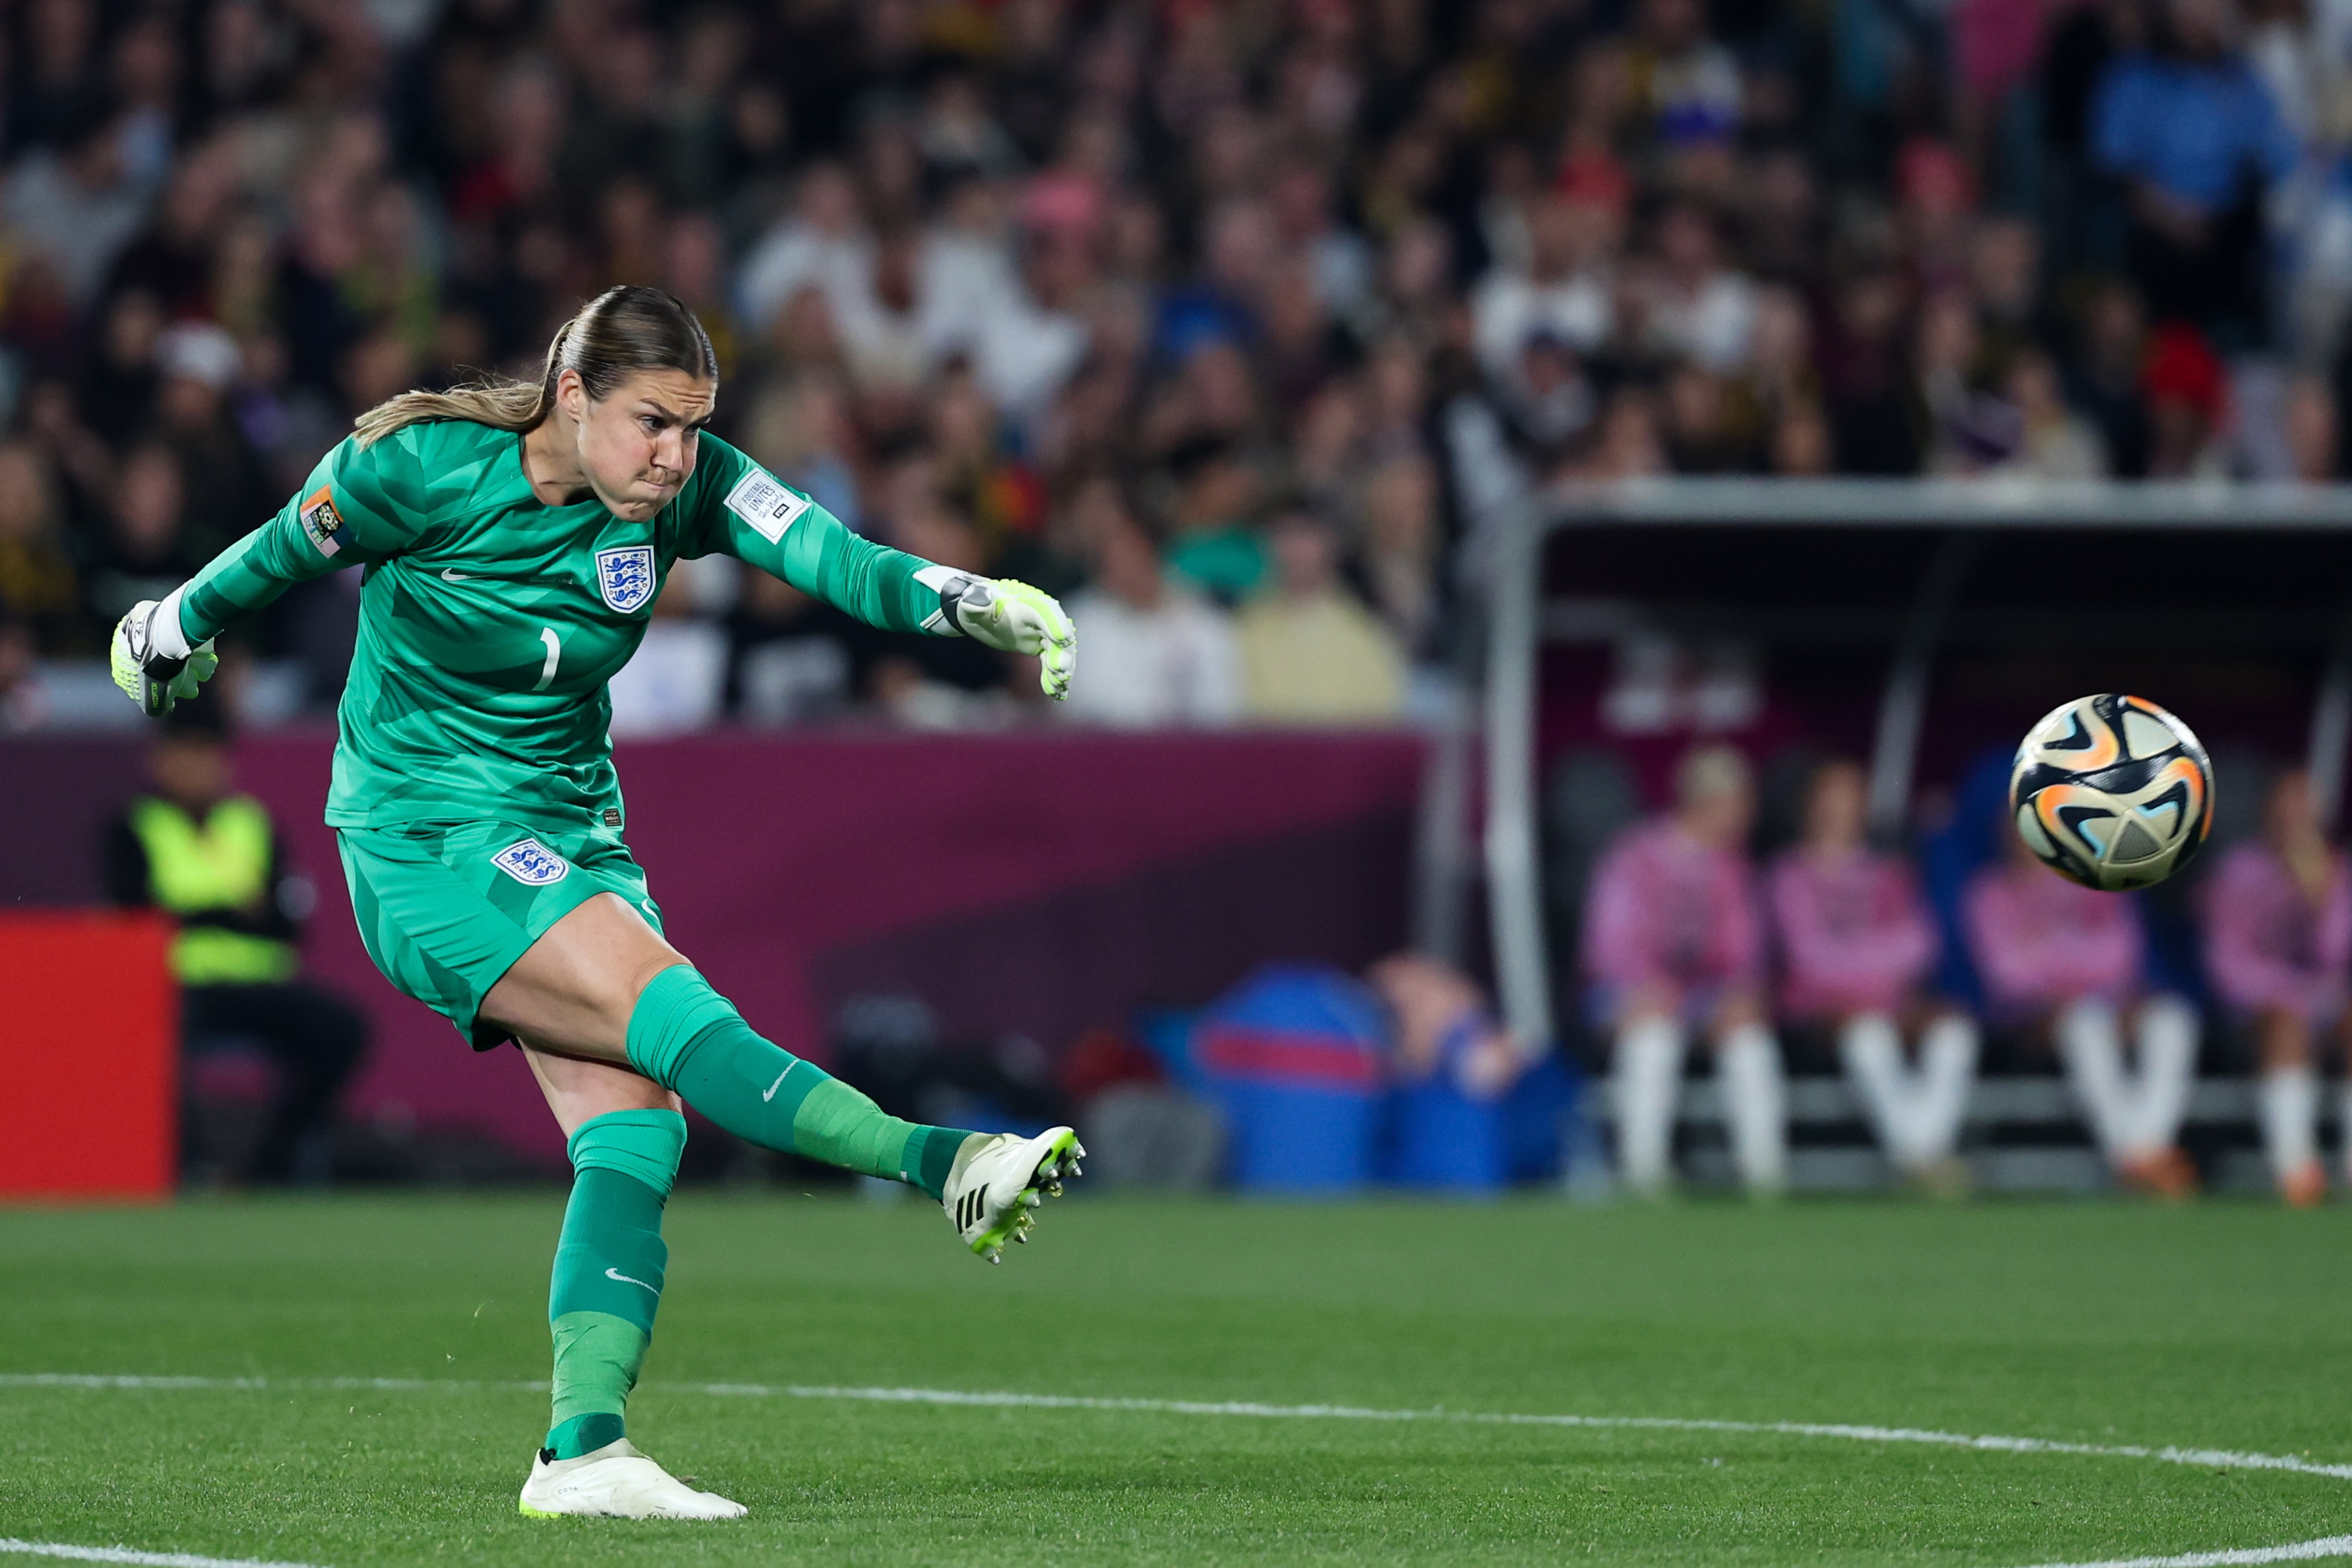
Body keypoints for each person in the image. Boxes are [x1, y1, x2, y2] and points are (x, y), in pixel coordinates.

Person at [108, 286, 1084, 1522]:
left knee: (639, 1123)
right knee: (672, 1012)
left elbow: (830, 555)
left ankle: (581, 1449)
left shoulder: (688, 489)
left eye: (691, 427)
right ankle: (948, 1163)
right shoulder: (420, 468)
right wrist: (166, 627)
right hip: (426, 841)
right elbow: (279, 550)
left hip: (571, 835)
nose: (673, 456)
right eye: (651, 424)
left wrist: (962, 596)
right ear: (572, 394)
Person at [102, 697, 369, 1185]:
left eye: (208, 754)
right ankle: (190, 1165)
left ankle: (271, 1163)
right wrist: (232, 912)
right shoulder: (133, 827)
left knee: (343, 1030)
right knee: (154, 1046)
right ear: (159, 759)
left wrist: (198, 915)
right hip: (178, 985)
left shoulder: (253, 822)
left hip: (260, 981)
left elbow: (287, 924)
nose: (197, 767)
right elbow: (134, 922)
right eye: (185, 753)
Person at [1583, 745, 1786, 1195]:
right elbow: (1609, 944)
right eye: (1739, 803)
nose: (1747, 815)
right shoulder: (1635, 855)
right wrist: (1648, 989)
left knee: (1748, 1039)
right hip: (1631, 991)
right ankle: (1644, 1172)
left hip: (1705, 996)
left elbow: (1746, 952)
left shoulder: (1733, 867)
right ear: (1706, 802)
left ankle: (1763, 1172)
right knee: (1653, 1039)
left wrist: (1739, 994)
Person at [1768, 760, 1978, 1188]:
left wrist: (1865, 971)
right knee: (1868, 1033)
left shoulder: (1886, 873)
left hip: (1890, 1001)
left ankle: (1922, 1152)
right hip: (1819, 1013)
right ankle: (1923, 1157)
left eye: (1852, 796)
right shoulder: (1789, 874)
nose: (1843, 807)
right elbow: (1810, 958)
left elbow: (1920, 944)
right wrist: (1874, 968)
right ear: (1810, 805)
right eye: (1833, 796)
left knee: (1953, 1030)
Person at [1964, 827, 2200, 1196]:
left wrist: (2051, 952)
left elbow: (2121, 953)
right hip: (2029, 1016)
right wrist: (2074, 968)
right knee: (2084, 1020)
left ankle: (2140, 1153)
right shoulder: (1991, 892)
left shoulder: (2095, 883)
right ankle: (2140, 1158)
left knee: (2170, 1018)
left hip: (2108, 1002)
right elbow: (2008, 973)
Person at [2201, 769, 2352, 1205]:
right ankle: (2296, 1169)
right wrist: (2290, 993)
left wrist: (2321, 897)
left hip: (2323, 1000)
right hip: (2253, 1009)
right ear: (2267, 812)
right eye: (2286, 808)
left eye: (2303, 810)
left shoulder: (2333, 869)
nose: (2294, 819)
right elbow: (2226, 964)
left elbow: (2334, 957)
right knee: (2287, 1022)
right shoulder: (2237, 870)